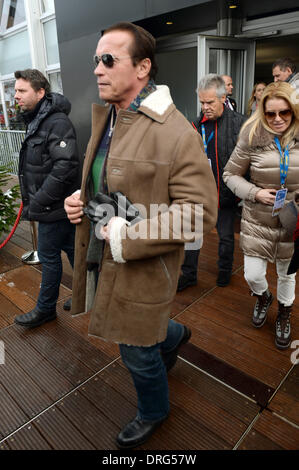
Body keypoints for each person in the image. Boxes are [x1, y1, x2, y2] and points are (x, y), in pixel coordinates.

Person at [64, 22, 218, 449]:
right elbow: (112, 179)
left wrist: (126, 234)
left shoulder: (175, 133)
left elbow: (199, 213)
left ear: (143, 67)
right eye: (96, 59)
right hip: (105, 251)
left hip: (144, 265)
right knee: (143, 331)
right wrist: (82, 196)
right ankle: (174, 334)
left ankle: (154, 410)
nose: (97, 69)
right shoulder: (112, 117)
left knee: (134, 346)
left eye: (108, 60)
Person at [223, 81, 299, 350]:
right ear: (262, 113)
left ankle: (284, 313)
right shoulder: (251, 136)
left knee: (287, 275)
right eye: (270, 113)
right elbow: (229, 175)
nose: (277, 119)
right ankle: (264, 296)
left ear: (293, 111)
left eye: (284, 112)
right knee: (252, 275)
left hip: (293, 221)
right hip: (258, 219)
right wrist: (254, 192)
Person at [14, 69, 79, 328]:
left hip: (54, 206)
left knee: (49, 256)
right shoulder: (38, 119)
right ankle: (90, 296)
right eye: (16, 90)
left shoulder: (56, 121)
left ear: (40, 92)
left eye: (21, 90)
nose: (16, 96)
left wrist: (39, 200)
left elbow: (66, 165)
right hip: (55, 205)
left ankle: (45, 309)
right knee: (74, 252)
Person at [177, 74, 246, 291]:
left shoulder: (240, 124)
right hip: (199, 194)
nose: (205, 107)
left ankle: (225, 272)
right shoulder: (195, 126)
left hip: (225, 194)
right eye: (202, 102)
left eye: (210, 102)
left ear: (223, 98)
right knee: (191, 237)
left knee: (225, 237)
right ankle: (188, 275)